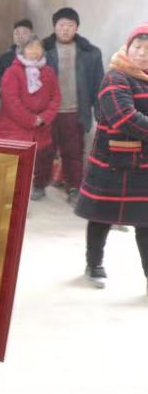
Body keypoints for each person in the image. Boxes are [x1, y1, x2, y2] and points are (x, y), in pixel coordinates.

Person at [75, 24, 148, 291]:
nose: (142, 53)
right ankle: (94, 264)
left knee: (146, 222)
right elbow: (124, 118)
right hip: (112, 162)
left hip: (144, 163)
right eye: (138, 47)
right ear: (128, 48)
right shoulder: (116, 77)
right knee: (101, 215)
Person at [43, 7, 105, 205]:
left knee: (74, 153)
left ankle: (74, 188)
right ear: (54, 27)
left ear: (77, 27)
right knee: (44, 151)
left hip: (75, 112)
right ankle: (38, 185)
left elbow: (98, 84)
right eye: (61, 25)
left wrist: (100, 113)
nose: (65, 29)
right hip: (47, 112)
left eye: (70, 25)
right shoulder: (42, 49)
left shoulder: (90, 53)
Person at [0, 35, 61, 201]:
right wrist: (31, 119)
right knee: (13, 163)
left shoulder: (49, 72)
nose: (35, 51)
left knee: (42, 159)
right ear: (22, 50)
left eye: (38, 47)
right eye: (30, 47)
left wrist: (44, 117)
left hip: (41, 127)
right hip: (14, 128)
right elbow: (11, 101)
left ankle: (39, 186)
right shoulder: (12, 72)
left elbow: (56, 98)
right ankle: (8, 191)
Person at [0, 18, 34, 88]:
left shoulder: (38, 55)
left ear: (31, 35)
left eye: (24, 33)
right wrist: (7, 83)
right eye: (17, 33)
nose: (20, 36)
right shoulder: (6, 56)